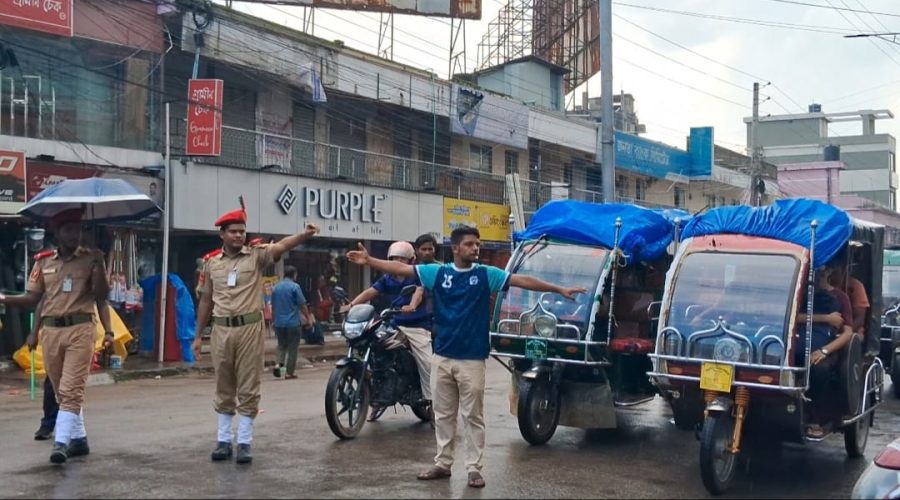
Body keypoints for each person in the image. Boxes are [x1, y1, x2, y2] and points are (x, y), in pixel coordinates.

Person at [347, 226, 585, 488]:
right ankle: (442, 463)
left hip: (472, 358)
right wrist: (369, 261)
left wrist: (558, 289)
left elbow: (521, 281)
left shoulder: (486, 275)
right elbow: (402, 270)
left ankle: (473, 468)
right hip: (443, 356)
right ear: (456, 248)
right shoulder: (438, 273)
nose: (476, 248)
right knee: (443, 414)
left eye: (477, 244)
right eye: (470, 244)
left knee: (473, 416)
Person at [191, 205, 319, 465]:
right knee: (223, 384)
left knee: (249, 384)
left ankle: (244, 442)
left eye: (242, 232)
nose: (239, 236)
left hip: (250, 327)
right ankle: (223, 441)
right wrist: (197, 337)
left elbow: (281, 247)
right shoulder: (211, 264)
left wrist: (303, 235)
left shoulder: (256, 257)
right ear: (222, 235)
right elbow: (205, 301)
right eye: (233, 232)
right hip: (221, 328)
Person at [0, 208, 115, 464]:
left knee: (71, 388)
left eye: (78, 229)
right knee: (62, 390)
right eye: (69, 229)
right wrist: (9, 303)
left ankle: (61, 442)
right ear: (57, 232)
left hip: (81, 329)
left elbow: (101, 296)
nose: (75, 234)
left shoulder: (91, 259)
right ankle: (80, 440)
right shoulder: (43, 262)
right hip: (51, 332)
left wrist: (99, 264)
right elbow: (36, 299)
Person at [342, 241, 433, 422]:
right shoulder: (387, 279)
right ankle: (377, 400)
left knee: (428, 362)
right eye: (393, 259)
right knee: (374, 349)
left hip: (416, 326)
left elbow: (418, 292)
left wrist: (412, 306)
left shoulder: (417, 276)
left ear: (411, 260)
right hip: (393, 323)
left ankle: (433, 404)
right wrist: (351, 305)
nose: (397, 262)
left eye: (401, 259)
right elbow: (370, 292)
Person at [798, 264, 855, 438]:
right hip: (799, 342)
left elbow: (848, 332)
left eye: (822, 269)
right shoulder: (800, 293)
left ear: (829, 271)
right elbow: (794, 316)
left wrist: (824, 351)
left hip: (826, 347)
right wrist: (825, 318)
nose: (818, 274)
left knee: (819, 370)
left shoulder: (840, 297)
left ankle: (814, 417)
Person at [271, 265, 314, 380]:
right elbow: (302, 304)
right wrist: (308, 317)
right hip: (293, 323)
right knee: (292, 348)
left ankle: (279, 367)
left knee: (281, 346)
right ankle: (289, 373)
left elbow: (273, 306)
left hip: (279, 323)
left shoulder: (275, 288)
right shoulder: (295, 287)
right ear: (294, 275)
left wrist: (273, 320)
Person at [27, 296, 59, 441]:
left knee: (72, 385)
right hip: (53, 333)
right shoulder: (49, 275)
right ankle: (48, 423)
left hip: (79, 332)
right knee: (51, 381)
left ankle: (74, 429)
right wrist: (34, 332)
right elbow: (41, 302)